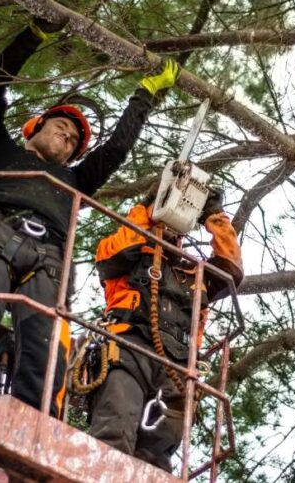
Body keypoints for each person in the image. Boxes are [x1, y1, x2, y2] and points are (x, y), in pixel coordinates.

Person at [0, 16, 181, 417]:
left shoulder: (75, 179)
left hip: (47, 256)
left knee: (47, 345)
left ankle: (35, 422)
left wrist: (144, 95)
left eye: (75, 140)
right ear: (34, 128)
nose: (68, 136)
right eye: (62, 126)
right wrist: (33, 35)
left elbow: (115, 150)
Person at [87, 187, 243, 471]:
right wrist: (146, 206)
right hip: (128, 349)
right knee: (115, 430)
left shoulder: (195, 273)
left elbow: (231, 269)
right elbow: (119, 252)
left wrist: (214, 217)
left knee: (158, 456)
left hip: (178, 367)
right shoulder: (127, 254)